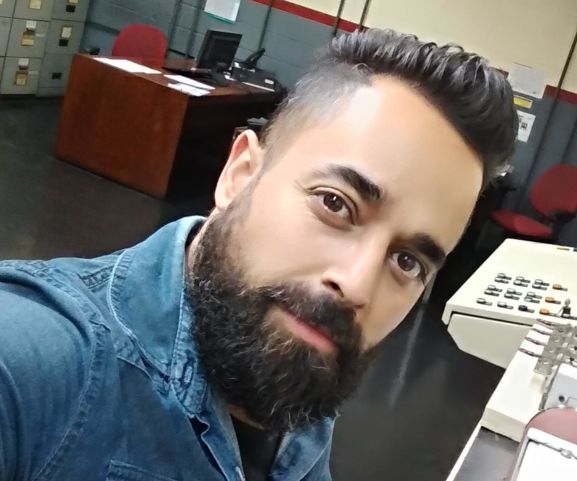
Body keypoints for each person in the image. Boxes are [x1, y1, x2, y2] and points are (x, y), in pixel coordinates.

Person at [0, 29, 516, 481]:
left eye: (407, 262)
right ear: (240, 174)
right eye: (336, 204)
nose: (357, 286)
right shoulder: (34, 367)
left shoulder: (296, 371)